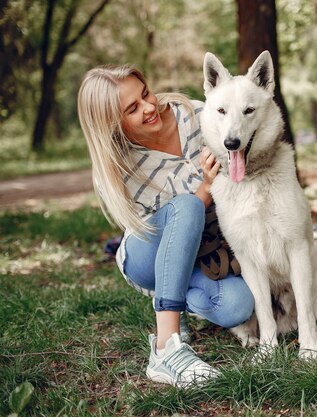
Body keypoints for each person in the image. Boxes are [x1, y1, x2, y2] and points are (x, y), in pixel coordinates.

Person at [77, 64, 255, 387]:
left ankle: (178, 304)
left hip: (201, 251)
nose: (148, 107)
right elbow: (174, 224)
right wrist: (203, 190)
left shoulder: (199, 115)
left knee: (239, 305)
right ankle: (166, 348)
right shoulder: (119, 170)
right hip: (147, 255)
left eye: (145, 93)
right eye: (132, 109)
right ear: (112, 125)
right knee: (186, 205)